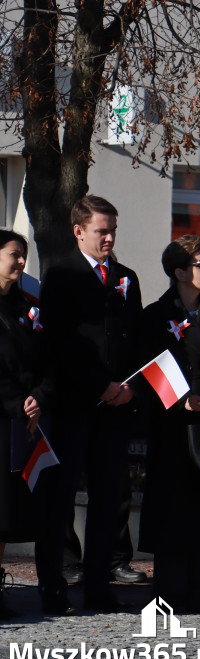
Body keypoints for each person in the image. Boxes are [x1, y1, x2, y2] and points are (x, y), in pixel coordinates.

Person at [36, 195, 143, 615]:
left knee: (108, 501)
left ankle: (99, 588)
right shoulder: (61, 275)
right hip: (75, 405)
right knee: (60, 501)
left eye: (113, 230)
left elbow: (134, 337)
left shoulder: (126, 277)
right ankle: (53, 588)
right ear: (79, 231)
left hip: (116, 408)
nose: (109, 238)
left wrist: (131, 386)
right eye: (102, 230)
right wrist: (100, 384)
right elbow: (60, 341)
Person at [138, 235, 200, 613]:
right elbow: (147, 367)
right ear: (180, 272)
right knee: (172, 509)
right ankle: (169, 593)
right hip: (172, 428)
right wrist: (181, 399)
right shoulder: (155, 315)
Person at [0, 230, 53, 618]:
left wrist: (39, 397)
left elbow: (46, 360)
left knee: (6, 512)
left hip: (20, 423)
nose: (21, 262)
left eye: (23, 255)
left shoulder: (26, 306)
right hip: (5, 414)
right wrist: (17, 403)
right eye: (14, 254)